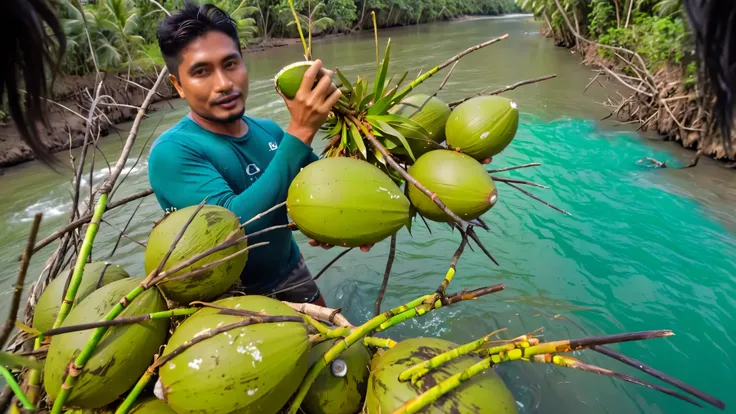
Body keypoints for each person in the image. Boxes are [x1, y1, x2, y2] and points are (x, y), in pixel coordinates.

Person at [148, 1, 373, 306]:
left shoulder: (269, 131)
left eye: (230, 64)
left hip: (291, 272)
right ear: (179, 86)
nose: (224, 84)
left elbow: (325, 192)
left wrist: (350, 225)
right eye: (201, 72)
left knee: (339, 351)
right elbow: (232, 230)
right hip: (230, 300)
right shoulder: (173, 152)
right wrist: (301, 131)